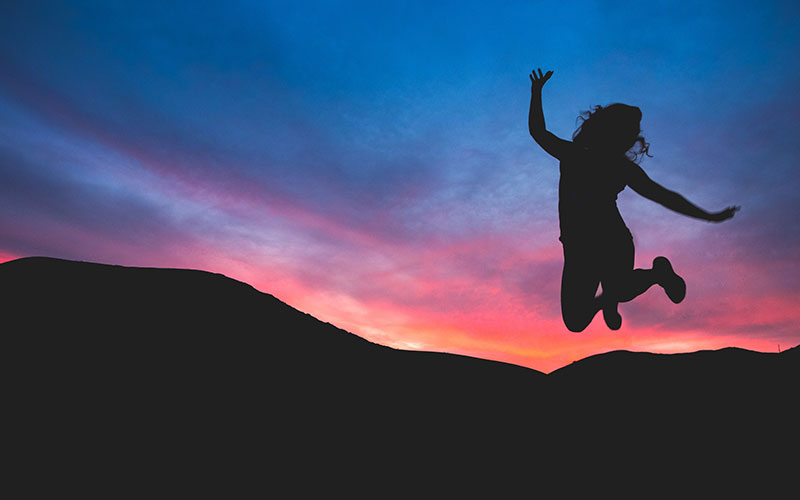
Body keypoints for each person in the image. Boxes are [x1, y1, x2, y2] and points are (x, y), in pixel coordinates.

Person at [528, 68, 739, 332]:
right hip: (577, 245)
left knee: (620, 287)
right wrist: (536, 93)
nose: (630, 140)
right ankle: (609, 299)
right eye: (628, 134)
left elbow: (663, 196)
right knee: (575, 321)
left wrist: (709, 215)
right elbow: (538, 132)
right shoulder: (573, 154)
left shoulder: (620, 167)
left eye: (631, 135)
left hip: (611, 239)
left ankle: (654, 276)